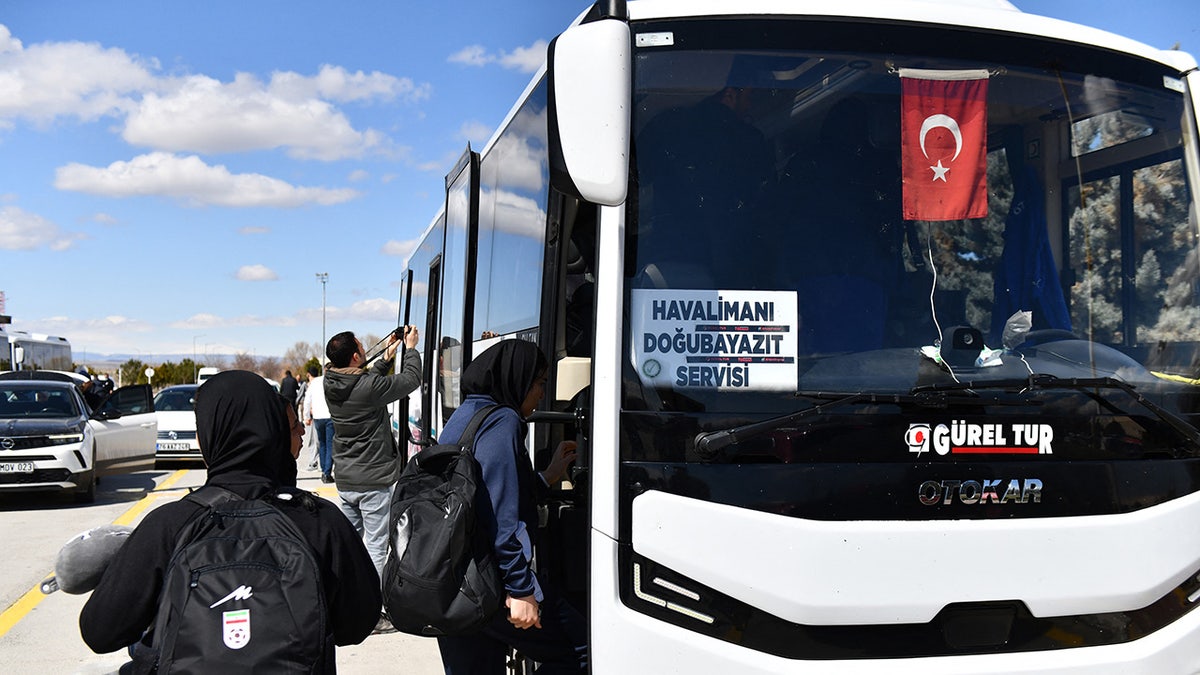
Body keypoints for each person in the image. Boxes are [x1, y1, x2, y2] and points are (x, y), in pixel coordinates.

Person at [79, 370, 381, 673]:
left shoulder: (168, 525)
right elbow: (357, 625)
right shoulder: (319, 520)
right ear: (273, 430)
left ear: (207, 437)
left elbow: (100, 632)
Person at [435, 340, 587, 674]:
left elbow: (481, 491)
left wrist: (546, 478)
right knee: (578, 649)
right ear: (516, 379)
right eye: (540, 384)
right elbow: (500, 518)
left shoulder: (468, 413)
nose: (541, 395)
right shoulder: (503, 420)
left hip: (453, 580)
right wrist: (521, 590)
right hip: (489, 581)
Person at [323, 328, 421, 584]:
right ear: (356, 357)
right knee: (375, 548)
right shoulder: (368, 388)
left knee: (350, 544)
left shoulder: (330, 382)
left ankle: (347, 600)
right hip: (373, 481)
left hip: (346, 480)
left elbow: (362, 384)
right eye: (361, 346)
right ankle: (371, 608)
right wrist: (410, 349)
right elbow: (411, 379)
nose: (365, 349)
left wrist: (387, 356)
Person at [304, 364, 335, 483]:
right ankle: (327, 473)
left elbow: (307, 400)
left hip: (317, 417)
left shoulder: (315, 382)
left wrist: (307, 416)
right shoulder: (333, 382)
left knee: (322, 444)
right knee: (330, 445)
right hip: (329, 416)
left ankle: (324, 470)